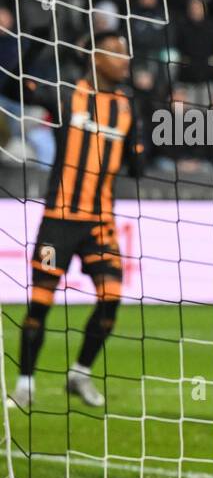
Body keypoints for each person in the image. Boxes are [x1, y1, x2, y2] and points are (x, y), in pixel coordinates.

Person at [8, 34, 145, 411]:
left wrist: (140, 142)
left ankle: (79, 373)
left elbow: (137, 163)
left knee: (111, 299)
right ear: (96, 58)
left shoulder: (127, 107)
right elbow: (14, 84)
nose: (125, 59)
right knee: (40, 303)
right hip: (59, 224)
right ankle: (26, 384)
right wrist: (34, 44)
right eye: (116, 52)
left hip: (100, 224)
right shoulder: (66, 94)